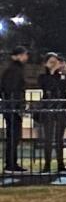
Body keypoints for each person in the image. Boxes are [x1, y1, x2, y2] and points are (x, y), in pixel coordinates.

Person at [35, 54, 66, 177]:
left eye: (55, 62)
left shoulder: (61, 76)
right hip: (48, 110)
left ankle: (61, 165)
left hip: (61, 109)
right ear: (46, 64)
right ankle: (47, 165)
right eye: (51, 62)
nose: (54, 64)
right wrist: (51, 71)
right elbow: (47, 86)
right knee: (48, 139)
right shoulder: (43, 77)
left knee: (60, 139)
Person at [1, 47, 28, 176]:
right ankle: (11, 164)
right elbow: (12, 89)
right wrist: (17, 106)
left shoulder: (12, 69)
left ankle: (12, 163)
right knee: (13, 137)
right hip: (12, 107)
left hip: (11, 106)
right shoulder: (14, 71)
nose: (26, 57)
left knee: (13, 137)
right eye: (23, 55)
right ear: (17, 56)